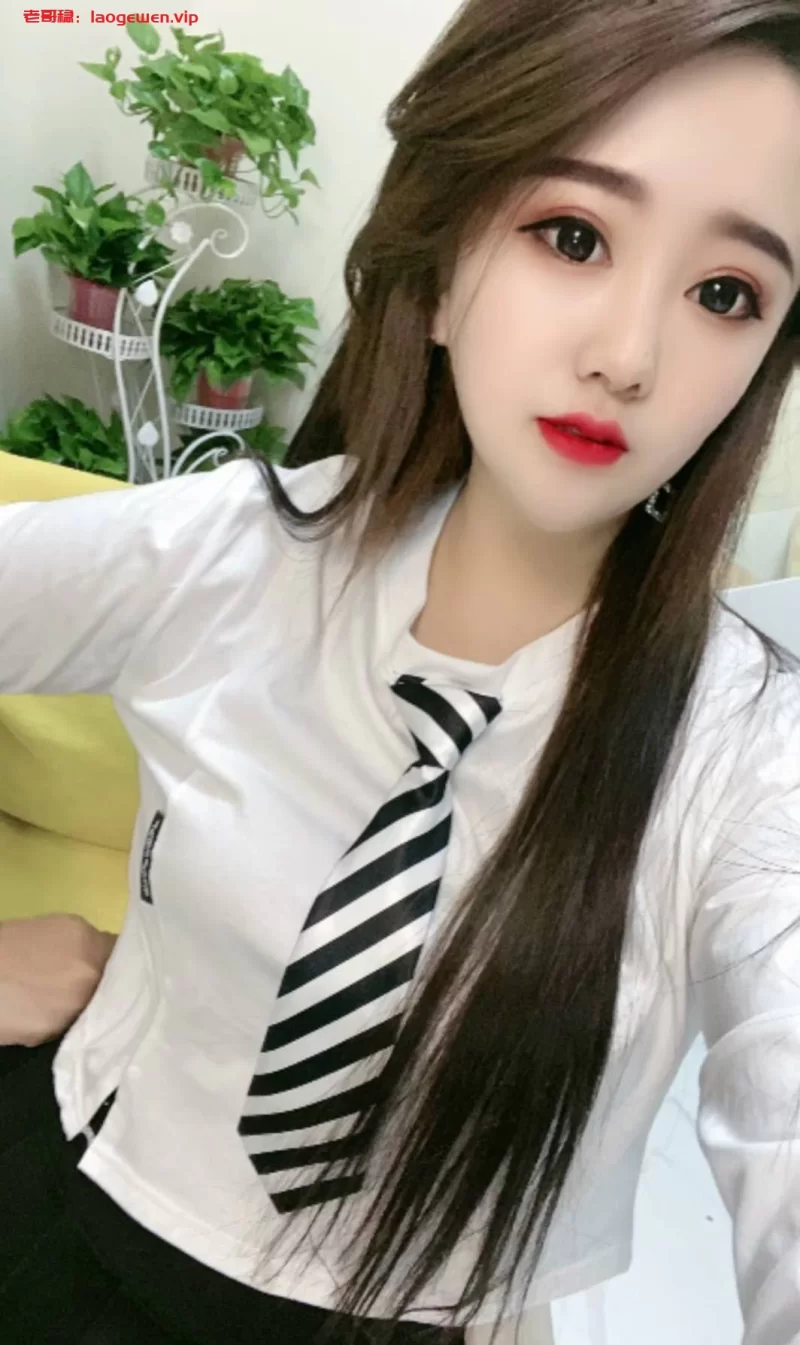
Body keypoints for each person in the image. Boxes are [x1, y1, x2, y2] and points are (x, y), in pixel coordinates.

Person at [1, 1, 800, 1343]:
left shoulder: (749, 757)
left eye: (727, 293)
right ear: (437, 267)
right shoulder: (236, 557)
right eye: (573, 235)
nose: (629, 357)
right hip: (72, 1222)